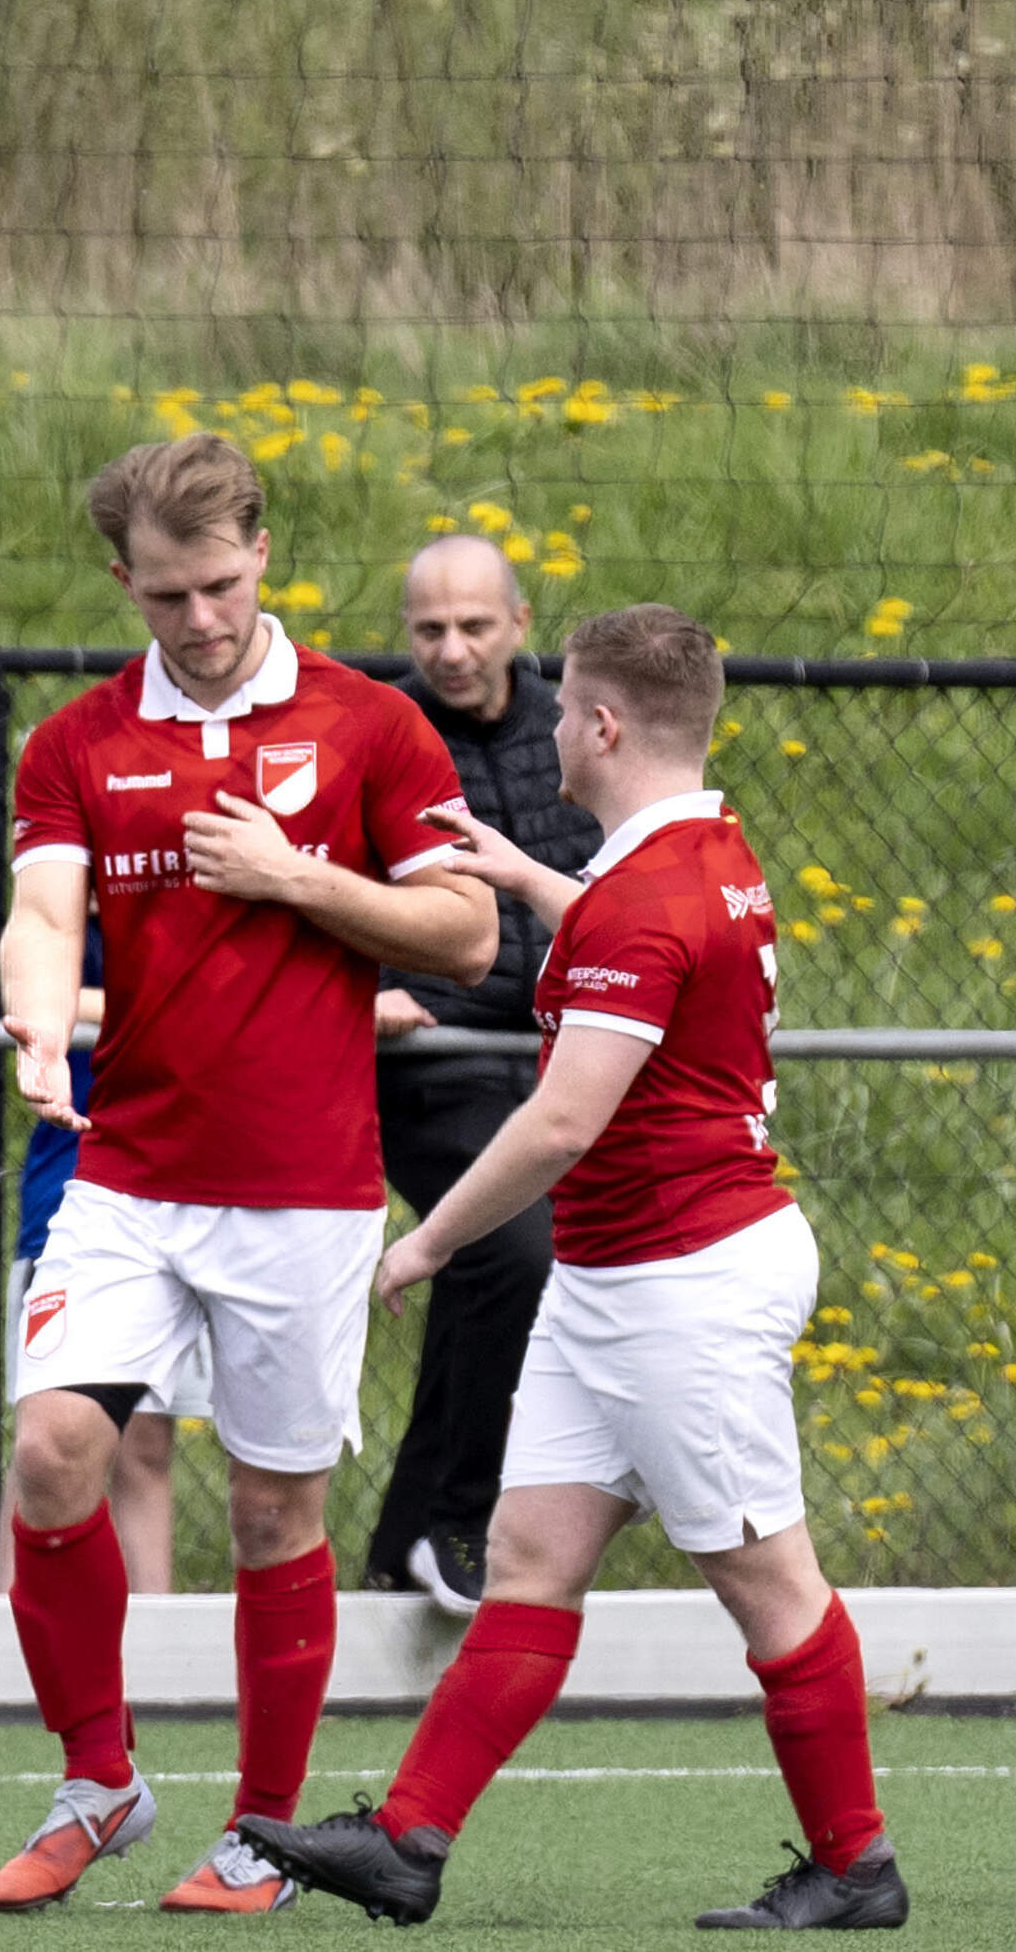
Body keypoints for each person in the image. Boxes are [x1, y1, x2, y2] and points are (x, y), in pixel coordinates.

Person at [234, 604, 907, 1931]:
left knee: (769, 1576)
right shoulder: (703, 852)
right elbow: (632, 929)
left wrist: (422, 1239)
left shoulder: (640, 903)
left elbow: (558, 1118)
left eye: (561, 712)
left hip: (686, 1279)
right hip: (622, 1275)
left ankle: (858, 1863)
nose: (547, 731)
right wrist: (527, 874)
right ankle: (410, 1841)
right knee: (533, 1554)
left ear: (602, 725)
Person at [0, 433, 496, 1915]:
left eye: (217, 584)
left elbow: (466, 934)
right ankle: (102, 1780)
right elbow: (40, 908)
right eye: (164, 596)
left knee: (274, 1512)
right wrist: (33, 1015)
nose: (198, 620)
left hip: (305, 1190)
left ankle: (262, 1834)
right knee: (52, 1455)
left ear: (262, 550)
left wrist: (300, 879)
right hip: (130, 1173)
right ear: (123, 583)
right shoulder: (78, 739)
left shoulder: (373, 725)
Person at [362, 535, 603, 1614]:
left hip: (558, 1052)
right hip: (426, 1056)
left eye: (474, 625)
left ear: (519, 619)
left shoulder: (579, 731)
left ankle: (411, 1540)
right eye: (429, 631)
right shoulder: (374, 728)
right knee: (507, 1245)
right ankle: (462, 1517)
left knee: (525, 1268)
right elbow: (313, 880)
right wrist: (363, 990)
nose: (453, 650)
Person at [0, 924, 190, 1599]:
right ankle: (8, 1662)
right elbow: (36, 993)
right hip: (67, 1209)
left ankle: (155, 1665)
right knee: (44, 1446)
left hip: (181, 1201)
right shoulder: (60, 915)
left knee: (144, 1443)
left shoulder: (201, 905)